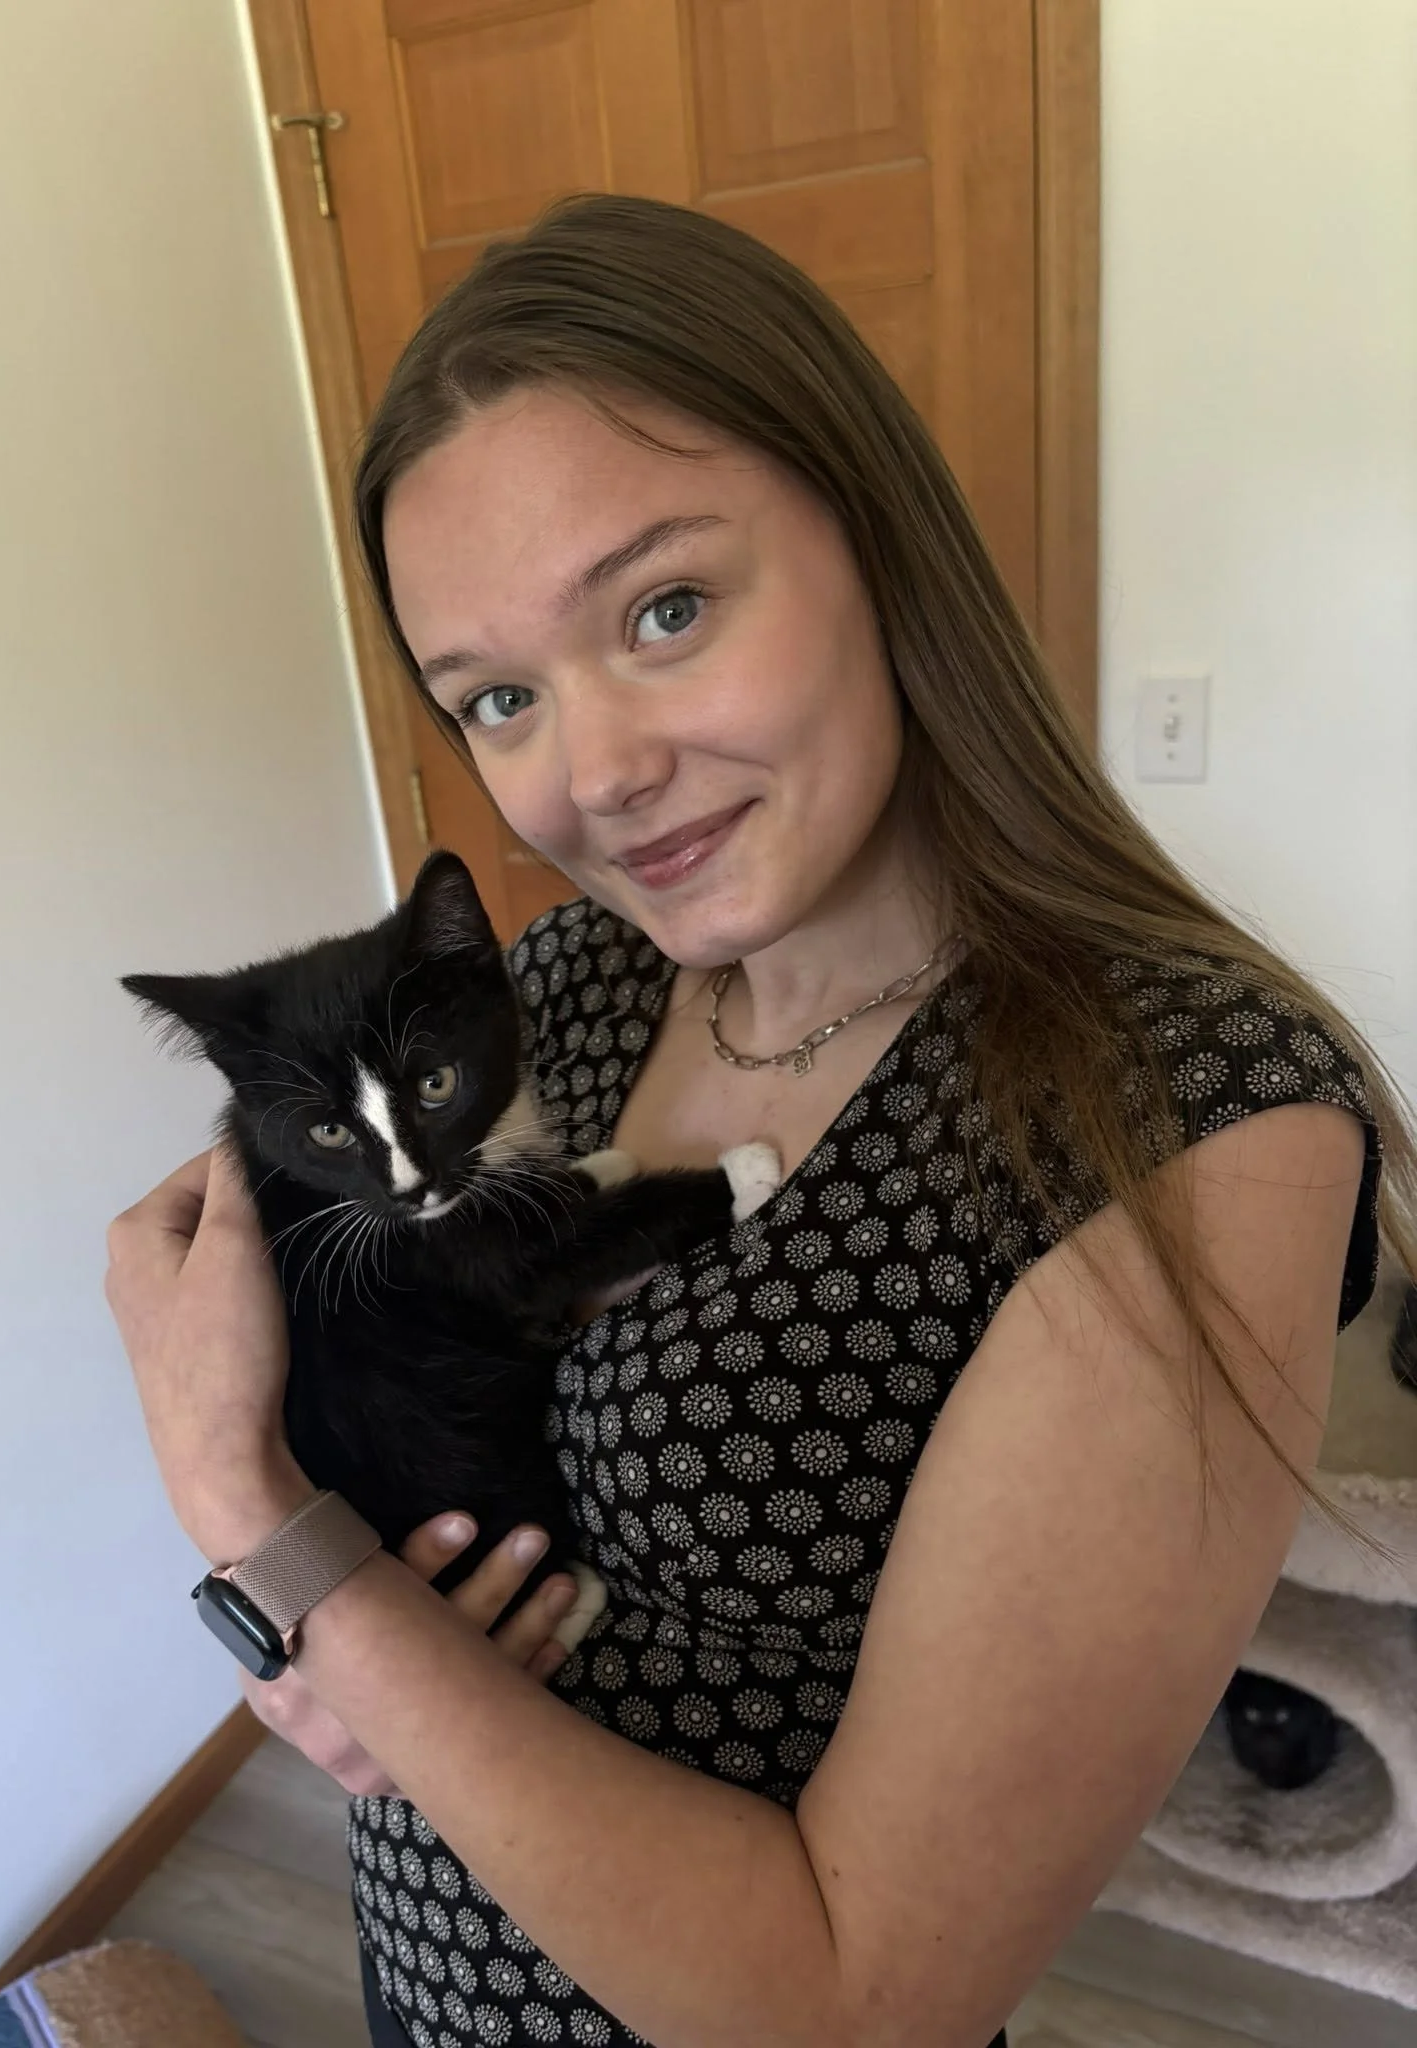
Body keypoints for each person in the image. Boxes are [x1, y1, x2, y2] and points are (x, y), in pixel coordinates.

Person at [105, 196, 1416, 2048]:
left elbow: (855, 2006)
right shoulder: (564, 985)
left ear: (877, 539)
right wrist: (297, 1635)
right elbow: (264, 1335)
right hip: (425, 1979)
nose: (597, 774)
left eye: (666, 607)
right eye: (497, 696)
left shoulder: (1190, 1123)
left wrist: (252, 1514)